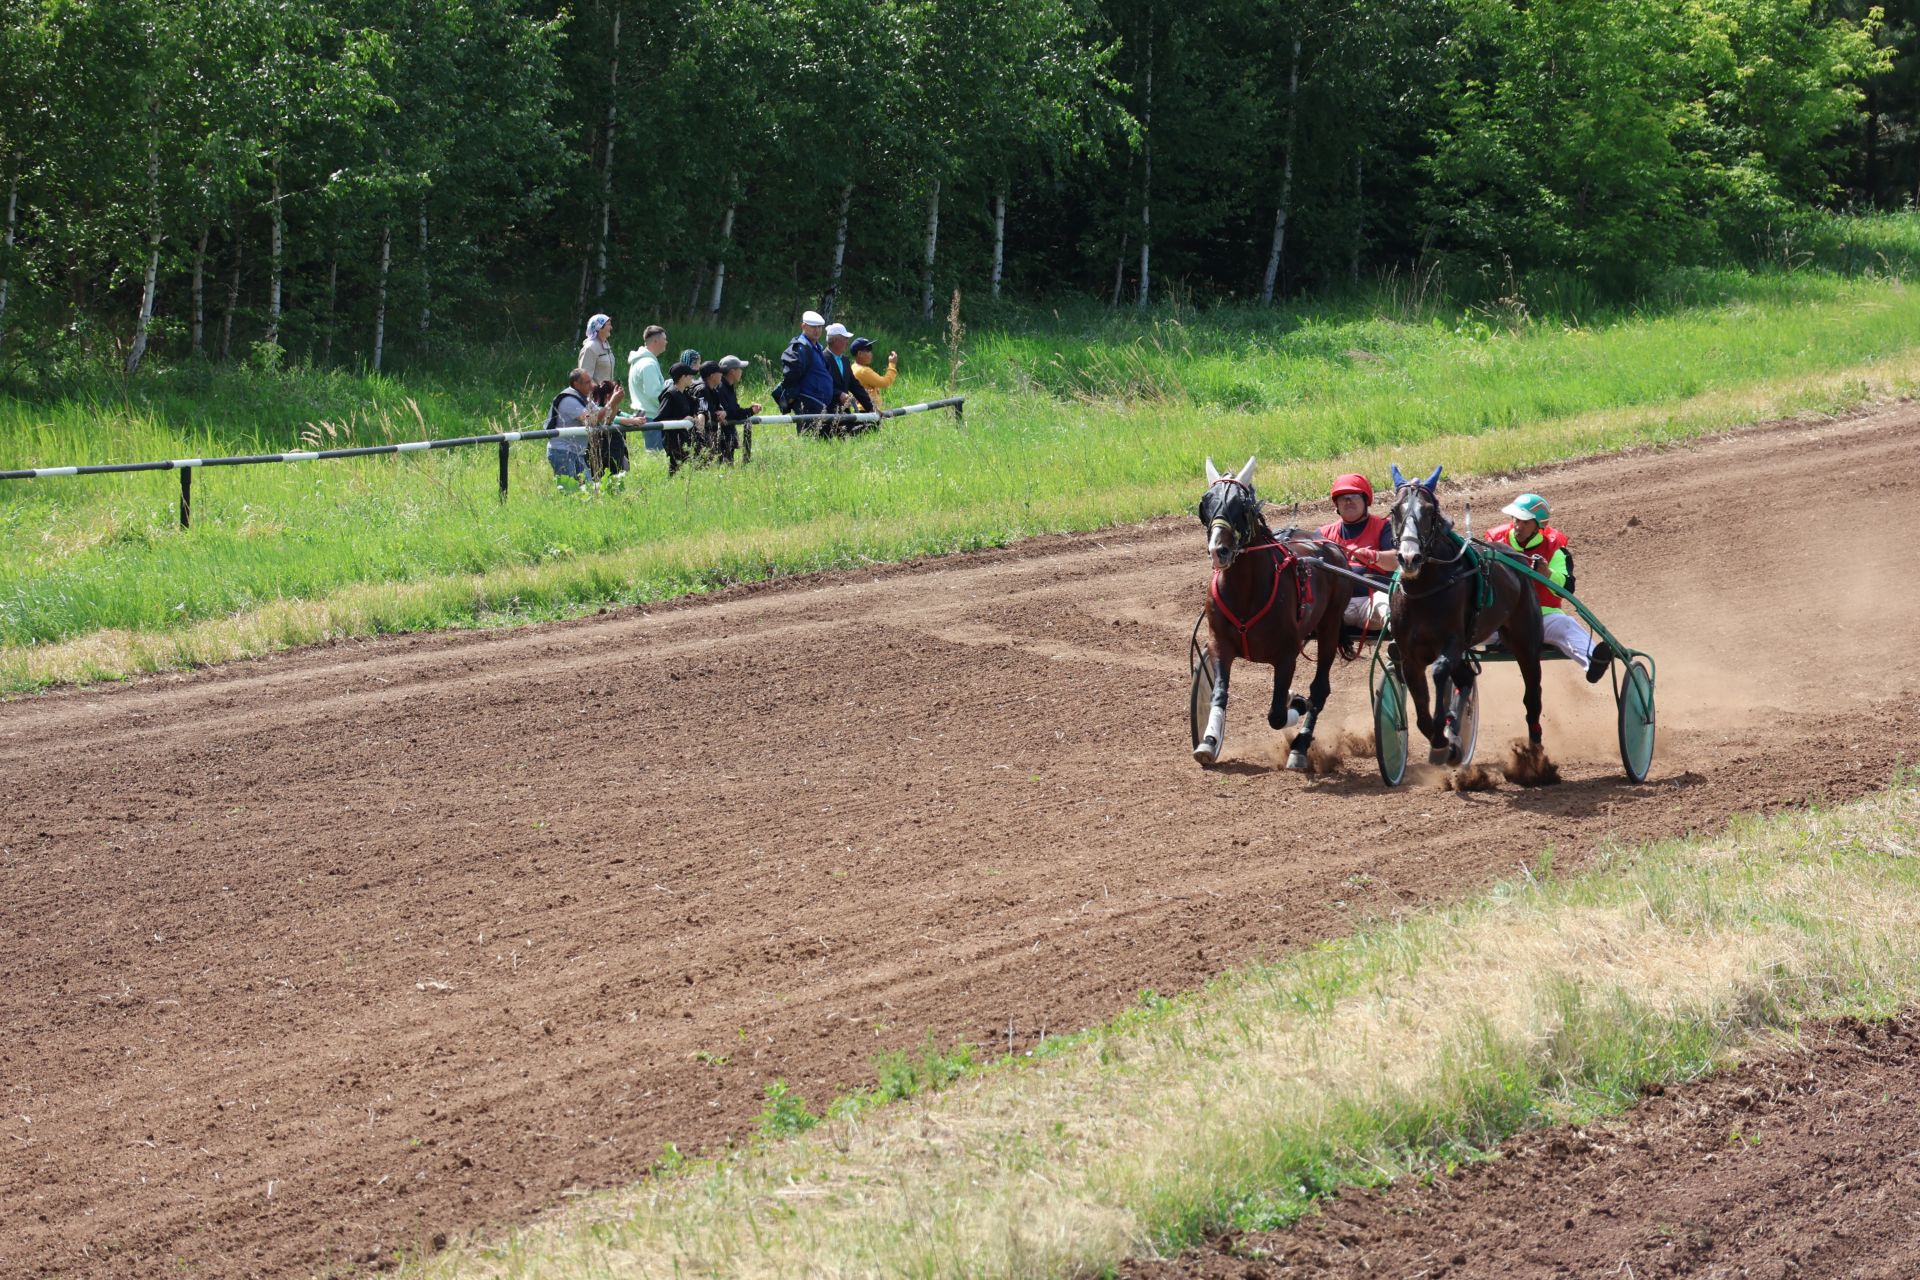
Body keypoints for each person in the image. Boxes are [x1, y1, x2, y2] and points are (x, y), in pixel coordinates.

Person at [1487, 492, 1613, 683]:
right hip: (1499, 619)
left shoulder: (1555, 549)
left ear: (1539, 526)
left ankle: (1593, 660)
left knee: (1566, 625)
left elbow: (1567, 586)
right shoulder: (1494, 542)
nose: (1518, 526)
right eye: (1516, 519)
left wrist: (1548, 574)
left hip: (1539, 620)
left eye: (1525, 522)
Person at [1318, 473, 1395, 631]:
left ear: (1366, 500)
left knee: (1389, 608)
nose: (1348, 501)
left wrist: (1374, 556)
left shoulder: (1383, 527)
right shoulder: (1323, 534)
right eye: (1342, 497)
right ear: (1336, 504)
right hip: (1335, 606)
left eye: (1354, 495)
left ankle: (1398, 649)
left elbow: (1396, 562)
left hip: (1372, 601)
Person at [544, 367, 620, 484]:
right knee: (571, 493)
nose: (592, 385)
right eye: (587, 382)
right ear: (576, 384)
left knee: (588, 490)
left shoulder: (584, 398)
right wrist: (611, 402)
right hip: (563, 452)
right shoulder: (569, 400)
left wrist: (615, 403)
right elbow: (592, 421)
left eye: (591, 381)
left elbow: (606, 420)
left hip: (576, 453)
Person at [777, 310, 838, 432]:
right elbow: (790, 377)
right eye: (813, 327)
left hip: (820, 405)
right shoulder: (800, 348)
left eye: (819, 327)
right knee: (809, 439)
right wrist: (797, 399)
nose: (817, 330)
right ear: (803, 326)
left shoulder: (816, 347)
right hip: (808, 403)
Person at [653, 361, 706, 476]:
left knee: (690, 467)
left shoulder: (685, 394)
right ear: (683, 377)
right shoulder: (670, 395)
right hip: (672, 439)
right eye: (690, 375)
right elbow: (659, 419)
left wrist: (699, 415)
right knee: (676, 469)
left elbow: (697, 404)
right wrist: (682, 419)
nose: (692, 377)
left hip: (684, 437)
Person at [823, 322, 875, 431]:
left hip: (845, 413)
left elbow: (855, 386)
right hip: (826, 414)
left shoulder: (845, 360)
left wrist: (871, 408)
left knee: (872, 428)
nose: (847, 342)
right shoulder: (822, 359)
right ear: (835, 340)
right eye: (845, 338)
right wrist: (838, 394)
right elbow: (820, 385)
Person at [715, 355, 762, 463]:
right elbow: (729, 413)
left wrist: (751, 411)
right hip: (720, 437)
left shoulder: (729, 386)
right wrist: (750, 411)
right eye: (739, 369)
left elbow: (733, 411)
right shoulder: (721, 388)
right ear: (732, 371)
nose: (741, 371)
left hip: (727, 435)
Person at [626, 324, 669, 435]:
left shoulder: (641, 360)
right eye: (664, 339)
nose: (666, 342)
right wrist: (669, 407)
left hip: (646, 415)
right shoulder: (648, 364)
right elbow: (653, 394)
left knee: (653, 452)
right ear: (655, 341)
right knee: (654, 452)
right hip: (651, 416)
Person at [850, 338, 897, 412]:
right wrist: (892, 364)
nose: (871, 353)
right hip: (868, 412)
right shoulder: (863, 371)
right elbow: (885, 383)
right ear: (859, 354)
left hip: (862, 410)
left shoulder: (854, 367)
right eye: (868, 350)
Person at [578, 314, 616, 385]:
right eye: (609, 325)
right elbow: (585, 377)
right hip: (595, 395)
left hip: (606, 394)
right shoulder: (590, 347)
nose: (611, 327)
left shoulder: (606, 345)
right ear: (600, 327)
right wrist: (597, 392)